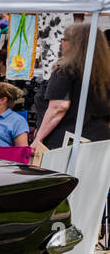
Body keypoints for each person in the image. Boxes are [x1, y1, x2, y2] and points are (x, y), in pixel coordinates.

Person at [33, 22, 110, 159]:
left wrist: (38, 138)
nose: (61, 44)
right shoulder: (104, 73)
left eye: (64, 40)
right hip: (99, 140)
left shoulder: (66, 69)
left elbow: (58, 107)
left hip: (65, 144)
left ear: (75, 43)